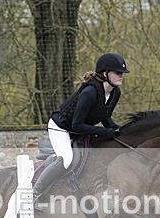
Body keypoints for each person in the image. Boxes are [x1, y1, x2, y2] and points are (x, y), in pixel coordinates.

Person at [32, 52, 129, 204]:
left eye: (122, 73)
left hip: (78, 127)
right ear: (105, 73)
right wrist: (105, 132)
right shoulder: (89, 93)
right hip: (61, 127)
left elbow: (104, 116)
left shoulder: (115, 92)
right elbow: (77, 125)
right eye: (117, 72)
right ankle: (33, 194)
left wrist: (118, 131)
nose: (121, 76)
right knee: (66, 159)